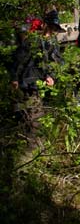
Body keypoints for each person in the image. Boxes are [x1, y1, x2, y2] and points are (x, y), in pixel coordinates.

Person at [10, 9, 64, 144]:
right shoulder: (33, 41)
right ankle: (34, 145)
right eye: (51, 27)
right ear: (45, 25)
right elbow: (19, 59)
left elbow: (57, 62)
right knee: (34, 113)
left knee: (41, 111)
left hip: (44, 83)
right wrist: (15, 78)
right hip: (30, 81)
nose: (52, 31)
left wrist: (52, 76)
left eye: (54, 28)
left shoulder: (52, 43)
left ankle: (38, 142)